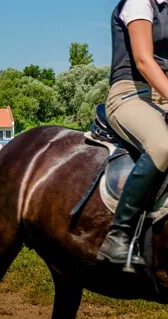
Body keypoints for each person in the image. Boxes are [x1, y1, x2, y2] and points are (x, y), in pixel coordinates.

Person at [97, 0, 168, 265]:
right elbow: (143, 61)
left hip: (163, 95)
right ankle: (119, 236)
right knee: (162, 146)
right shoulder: (140, 2)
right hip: (130, 94)